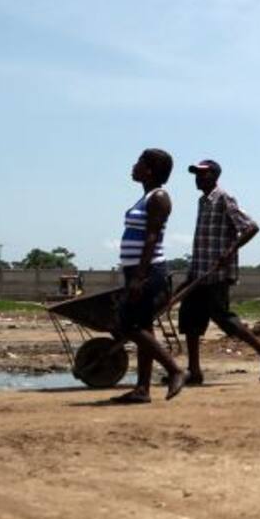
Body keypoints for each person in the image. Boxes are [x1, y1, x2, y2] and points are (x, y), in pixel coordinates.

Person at [176, 159, 260, 385]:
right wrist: (190, 274)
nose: (198, 178)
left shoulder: (224, 198)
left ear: (214, 176)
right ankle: (194, 371)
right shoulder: (203, 201)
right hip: (200, 273)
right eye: (196, 174)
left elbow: (251, 227)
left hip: (217, 274)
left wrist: (229, 252)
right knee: (190, 320)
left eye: (203, 174)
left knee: (223, 317)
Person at [112, 148, 187, 403]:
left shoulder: (159, 198)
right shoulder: (145, 197)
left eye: (139, 163)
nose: (133, 167)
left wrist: (139, 277)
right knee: (143, 327)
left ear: (150, 170)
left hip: (149, 271)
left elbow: (152, 238)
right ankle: (142, 389)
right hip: (137, 270)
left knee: (127, 324)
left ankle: (175, 369)